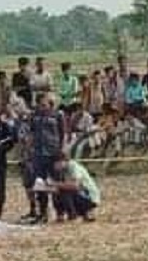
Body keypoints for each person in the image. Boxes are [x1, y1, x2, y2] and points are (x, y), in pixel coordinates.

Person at [27, 94, 65, 223]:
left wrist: (61, 152)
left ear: (50, 104)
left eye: (44, 104)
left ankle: (60, 212)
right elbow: (31, 133)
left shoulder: (58, 115)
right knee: (40, 184)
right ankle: (43, 213)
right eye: (39, 104)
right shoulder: (35, 116)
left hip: (53, 153)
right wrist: (30, 150)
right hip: (39, 153)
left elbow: (63, 134)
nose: (41, 106)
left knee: (56, 183)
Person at [49, 151, 101, 222]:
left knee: (64, 190)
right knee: (57, 191)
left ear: (61, 161)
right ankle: (62, 215)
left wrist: (55, 184)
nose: (54, 167)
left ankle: (76, 214)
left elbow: (75, 185)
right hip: (81, 193)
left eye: (55, 164)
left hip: (90, 197)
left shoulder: (73, 166)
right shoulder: (64, 170)